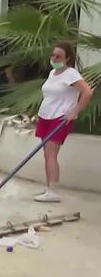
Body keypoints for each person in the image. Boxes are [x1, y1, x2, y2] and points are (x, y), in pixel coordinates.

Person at [32, 42, 94, 203]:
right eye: (53, 55)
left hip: (59, 118)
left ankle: (53, 191)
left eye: (58, 56)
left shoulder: (71, 74)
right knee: (47, 155)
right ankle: (49, 187)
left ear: (67, 58)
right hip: (45, 116)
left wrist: (74, 112)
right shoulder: (53, 72)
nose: (54, 58)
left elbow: (87, 93)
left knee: (51, 155)